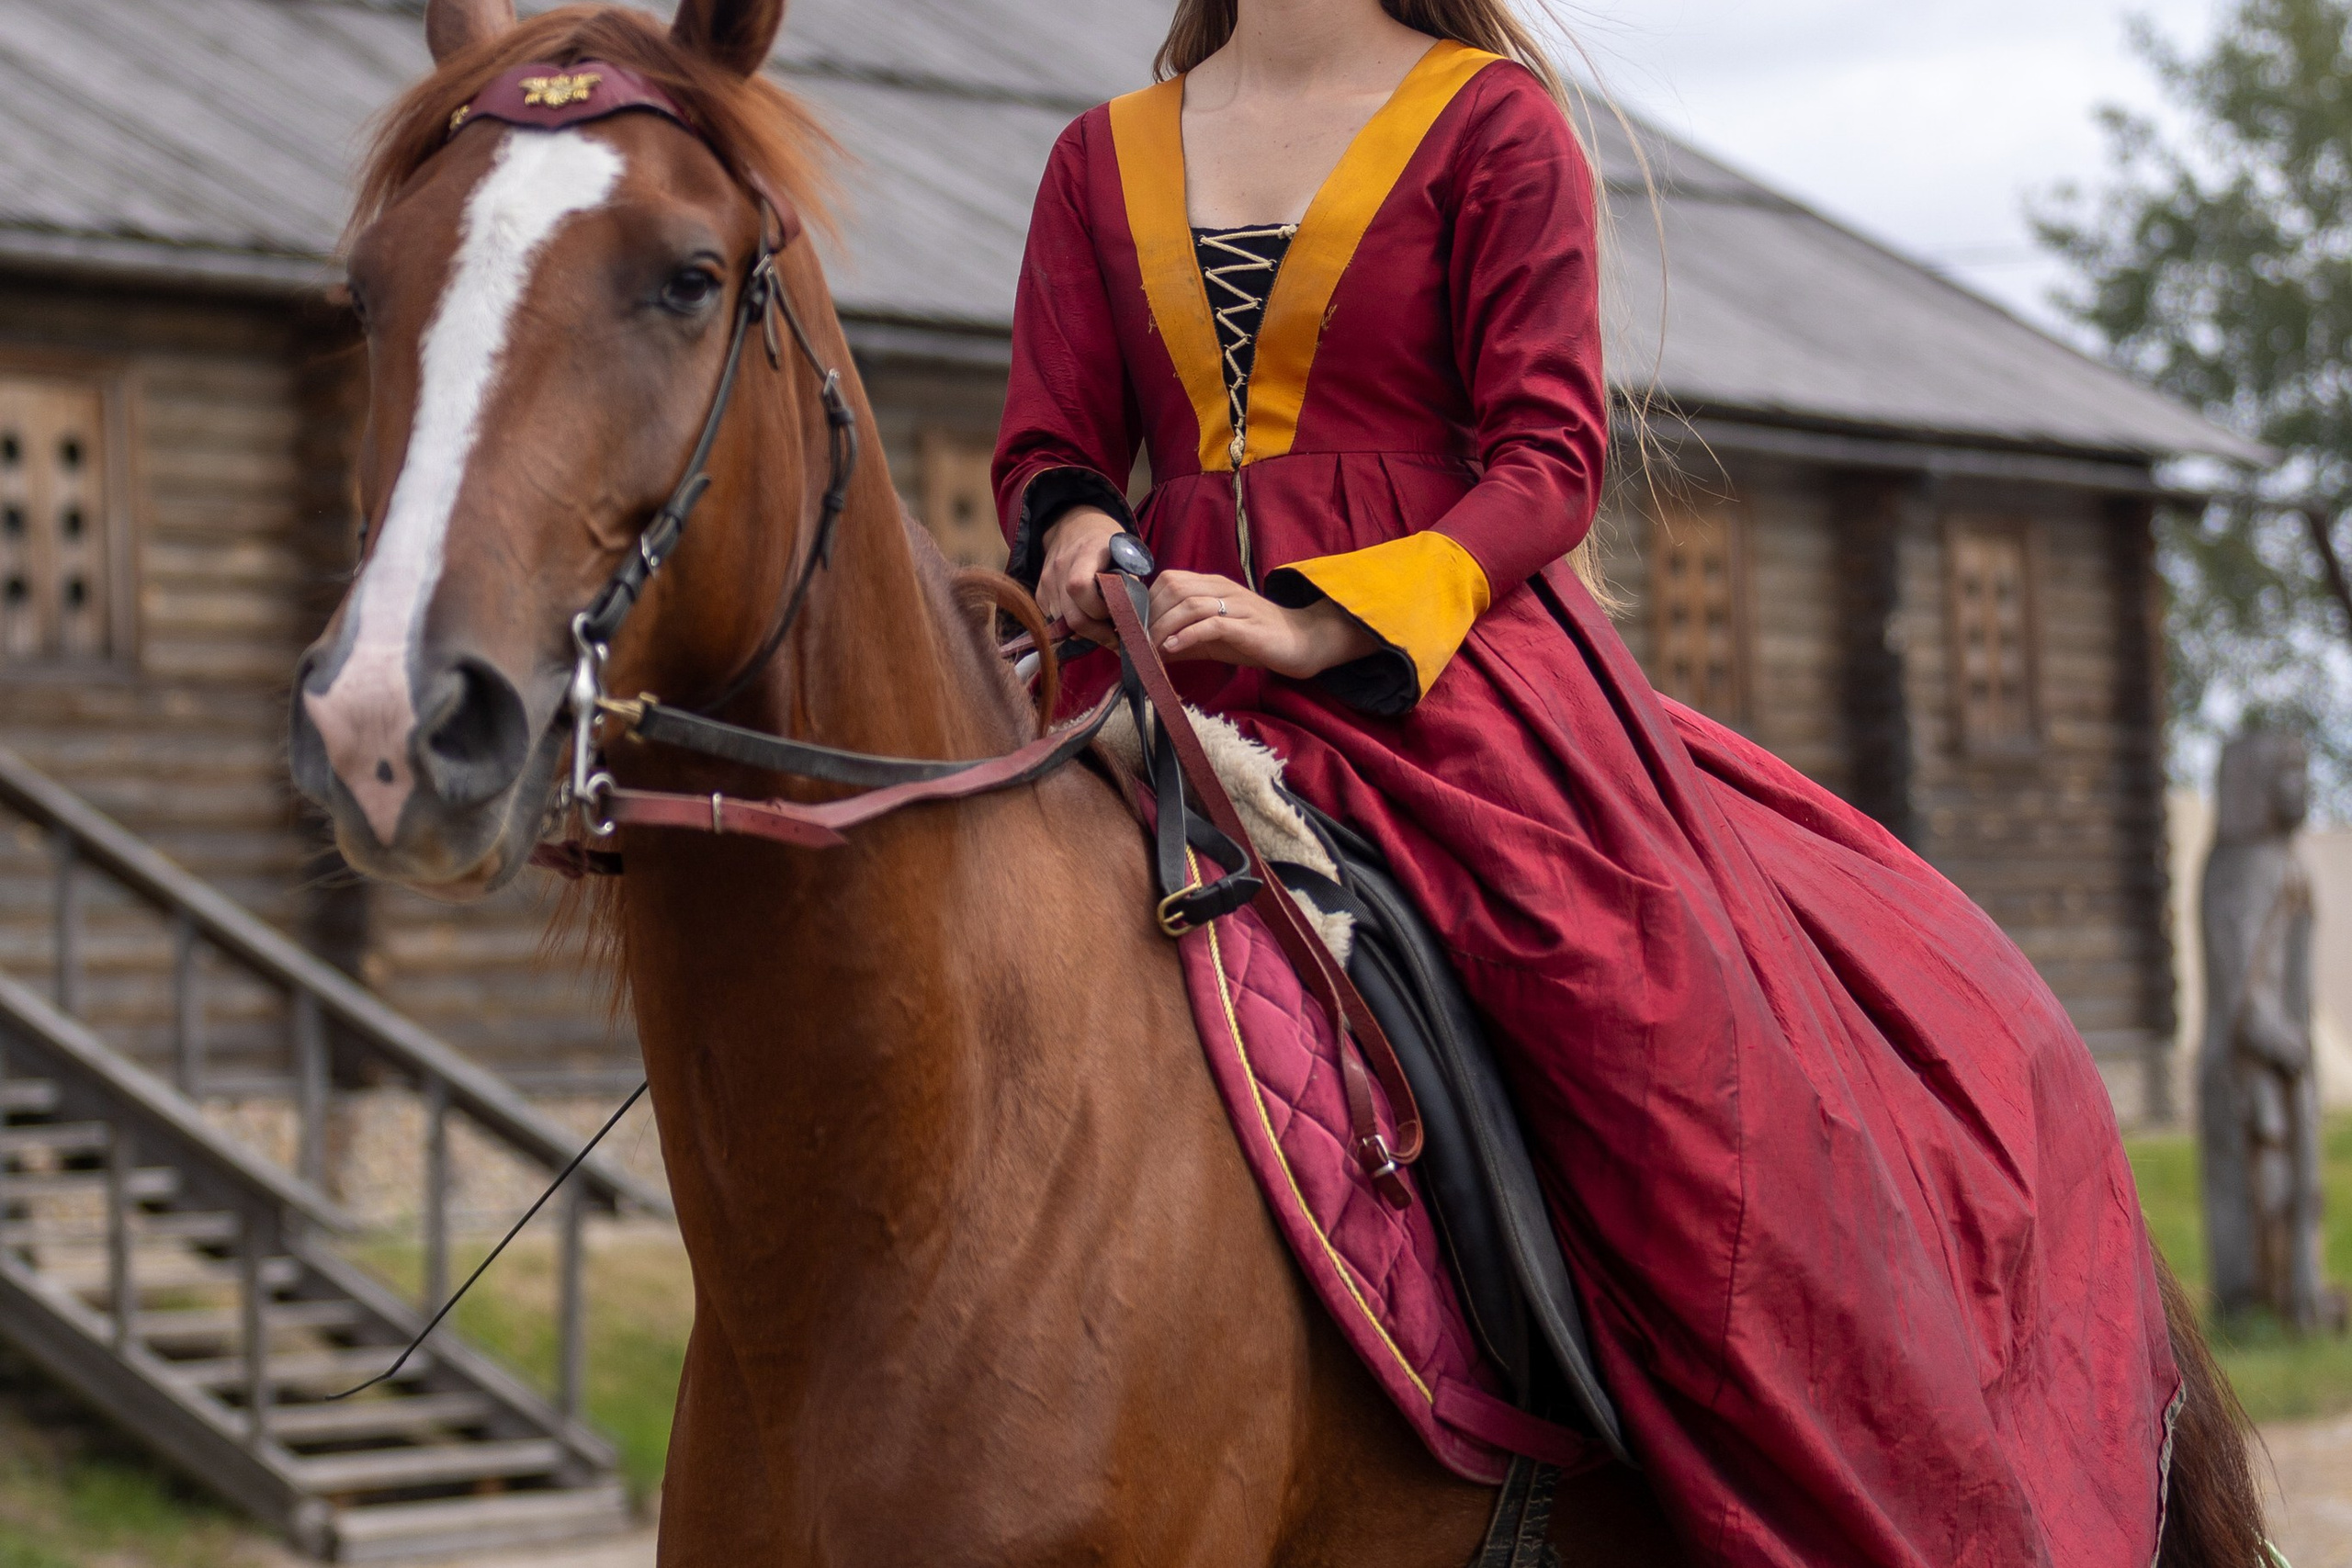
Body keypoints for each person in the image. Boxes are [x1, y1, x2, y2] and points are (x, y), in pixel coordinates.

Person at [991, 1, 2183, 1562]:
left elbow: (1547, 461)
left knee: (1645, 1047)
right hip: (1156, 666)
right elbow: (1051, 446)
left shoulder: (1493, 124)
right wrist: (1080, 531)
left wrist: (1314, 623)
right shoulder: (1096, 158)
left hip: (1436, 680)